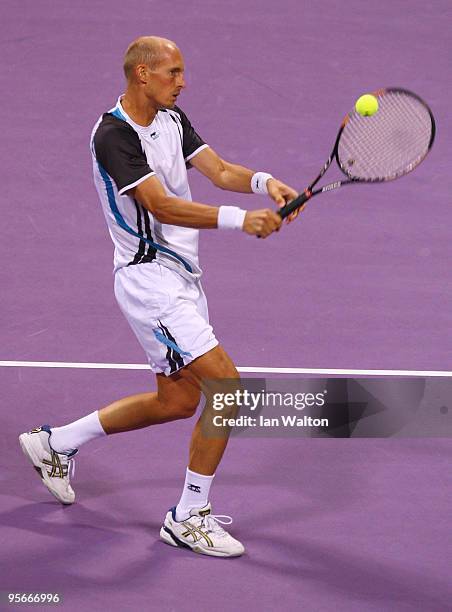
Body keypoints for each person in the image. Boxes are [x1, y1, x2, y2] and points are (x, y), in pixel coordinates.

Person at [19, 36, 299, 558]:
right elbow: (162, 206)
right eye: (173, 72)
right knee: (228, 387)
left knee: (179, 400)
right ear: (142, 73)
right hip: (150, 283)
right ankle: (189, 515)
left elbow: (218, 170)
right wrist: (242, 221)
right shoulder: (112, 136)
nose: (183, 81)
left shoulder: (172, 117)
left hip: (184, 279)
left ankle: (54, 443)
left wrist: (265, 184)